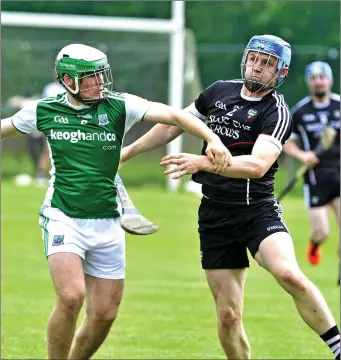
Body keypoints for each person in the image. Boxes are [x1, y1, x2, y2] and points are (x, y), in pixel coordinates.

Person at [1, 43, 231, 360]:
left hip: (109, 222)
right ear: (69, 81)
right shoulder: (45, 111)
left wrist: (213, 139)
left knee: (105, 314)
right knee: (71, 297)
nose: (100, 82)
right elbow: (4, 128)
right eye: (91, 77)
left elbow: (176, 115)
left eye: (101, 74)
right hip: (63, 217)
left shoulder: (120, 106)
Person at [120, 35, 340, 359]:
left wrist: (201, 162)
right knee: (228, 316)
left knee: (289, 273)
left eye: (268, 64)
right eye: (255, 58)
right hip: (214, 215)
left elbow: (257, 165)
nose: (258, 66)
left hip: (257, 210)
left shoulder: (276, 111)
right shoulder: (218, 91)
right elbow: (172, 125)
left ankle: (336, 346)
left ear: (280, 73)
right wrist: (127, 152)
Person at [283, 61, 340, 279]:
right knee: (321, 232)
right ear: (309, 82)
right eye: (314, 78)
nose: (319, 82)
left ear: (330, 80)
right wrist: (302, 156)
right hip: (316, 178)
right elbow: (286, 140)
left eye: (322, 77)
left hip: (339, 175)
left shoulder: (339, 105)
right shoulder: (300, 111)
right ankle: (315, 244)